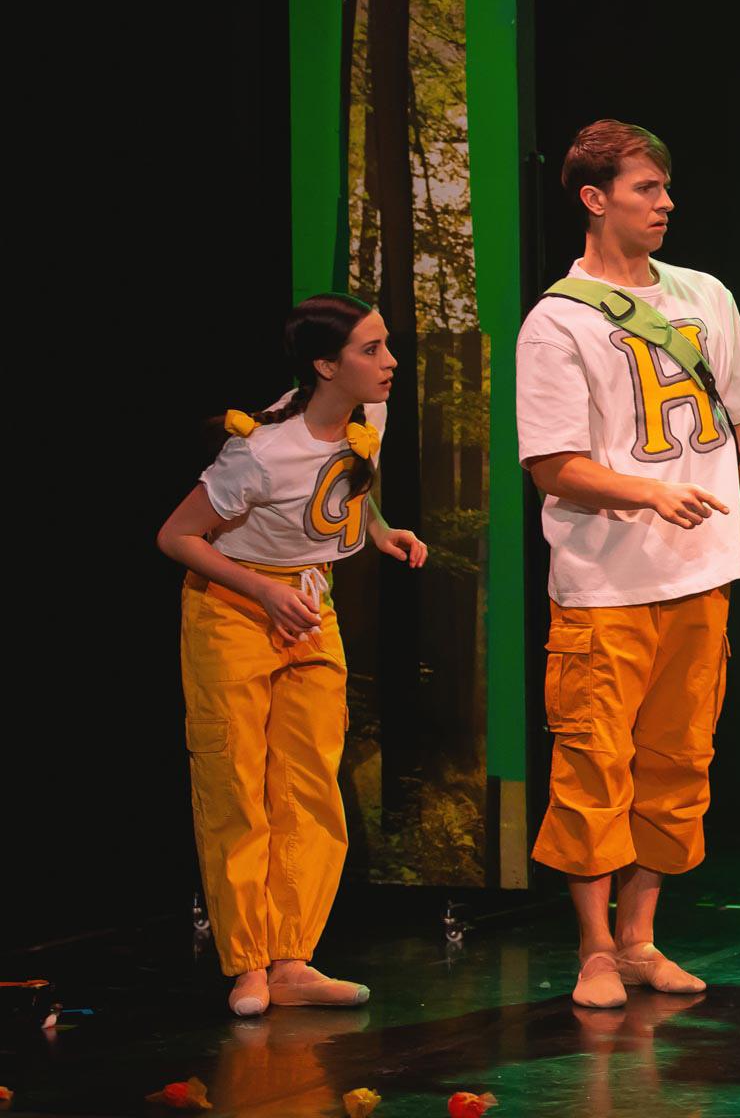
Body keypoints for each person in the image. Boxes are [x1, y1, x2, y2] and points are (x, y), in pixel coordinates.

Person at [517, 119, 740, 1009]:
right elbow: (552, 467)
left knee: (678, 763)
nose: (666, 203)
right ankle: (595, 949)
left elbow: (739, 424)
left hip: (701, 578)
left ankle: (641, 940)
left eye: (667, 188)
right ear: (595, 200)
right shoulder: (556, 322)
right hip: (605, 586)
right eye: (646, 189)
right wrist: (648, 495)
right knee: (594, 764)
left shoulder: (705, 296)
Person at [157, 293, 428, 1016]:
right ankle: (246, 963)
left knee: (309, 784)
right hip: (235, 609)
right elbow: (177, 537)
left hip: (311, 606)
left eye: (385, 345)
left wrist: (379, 530)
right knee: (238, 787)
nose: (389, 361)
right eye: (371, 350)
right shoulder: (259, 450)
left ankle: (292, 957)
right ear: (323, 365)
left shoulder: (369, 416)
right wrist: (263, 593)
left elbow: (339, 494)